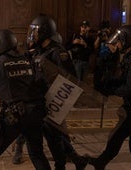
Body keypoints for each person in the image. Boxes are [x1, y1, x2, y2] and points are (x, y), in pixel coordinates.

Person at [12, 14, 88, 170]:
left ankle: (62, 165)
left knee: (54, 137)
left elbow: (70, 80)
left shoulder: (58, 52)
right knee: (53, 135)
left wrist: (56, 103)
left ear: (45, 32)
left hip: (54, 101)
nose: (33, 34)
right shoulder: (41, 50)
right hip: (42, 100)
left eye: (36, 31)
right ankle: (76, 160)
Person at [0, 29, 51, 170]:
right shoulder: (27, 59)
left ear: (0, 45)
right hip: (36, 113)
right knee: (37, 154)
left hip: (14, 117)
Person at [88, 24, 131, 170]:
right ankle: (100, 163)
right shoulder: (130, 55)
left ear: (127, 40)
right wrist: (107, 84)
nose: (117, 43)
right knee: (115, 138)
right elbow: (124, 79)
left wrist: (111, 90)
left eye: (119, 40)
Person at [93, 20, 120, 90]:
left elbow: (114, 50)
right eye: (103, 29)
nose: (105, 31)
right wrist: (99, 37)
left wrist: (107, 40)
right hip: (100, 63)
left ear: (109, 29)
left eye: (106, 29)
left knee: (107, 83)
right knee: (97, 82)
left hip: (109, 63)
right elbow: (95, 46)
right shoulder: (100, 36)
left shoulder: (114, 37)